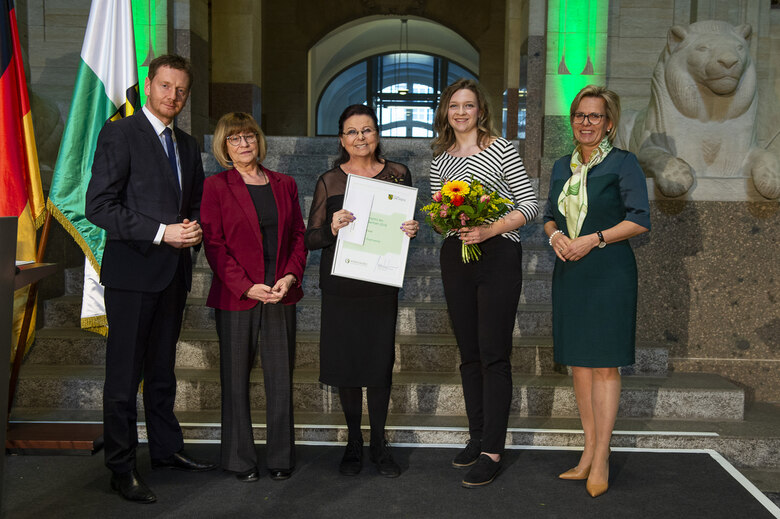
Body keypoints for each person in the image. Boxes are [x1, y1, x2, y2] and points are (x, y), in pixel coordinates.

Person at [86, 54, 215, 504]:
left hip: (173, 275)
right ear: (149, 83)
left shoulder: (187, 143)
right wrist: (164, 233)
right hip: (133, 273)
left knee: (161, 372)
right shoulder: (120, 133)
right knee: (123, 378)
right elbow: (98, 206)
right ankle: (121, 467)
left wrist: (193, 229)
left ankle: (166, 450)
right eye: (165, 86)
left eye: (181, 90)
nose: (173, 96)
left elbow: (194, 201)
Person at [430, 79, 539, 488]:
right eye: (454, 105)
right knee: (469, 354)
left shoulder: (501, 148)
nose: (461, 112)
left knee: (494, 354)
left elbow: (528, 205)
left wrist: (489, 228)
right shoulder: (440, 158)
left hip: (497, 256)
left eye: (469, 105)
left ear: (481, 110)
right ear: (446, 111)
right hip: (456, 256)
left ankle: (494, 449)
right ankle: (476, 437)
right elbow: (439, 210)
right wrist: (450, 220)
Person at [543, 85, 650, 498]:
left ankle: (602, 455)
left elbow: (640, 219)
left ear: (609, 123)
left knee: (605, 365)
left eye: (595, 117)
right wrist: (554, 237)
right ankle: (587, 451)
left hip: (609, 271)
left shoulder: (624, 164)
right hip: (570, 271)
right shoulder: (560, 166)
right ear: (572, 121)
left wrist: (595, 239)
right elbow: (551, 216)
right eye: (580, 116)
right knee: (581, 365)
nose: (586, 123)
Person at [304, 104, 419, 478]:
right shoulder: (329, 181)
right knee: (348, 366)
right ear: (342, 139)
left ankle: (379, 444)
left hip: (380, 282)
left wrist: (410, 230)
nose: (360, 138)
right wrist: (333, 228)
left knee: (378, 365)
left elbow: (402, 227)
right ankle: (353, 441)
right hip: (342, 285)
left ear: (377, 134)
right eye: (352, 132)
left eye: (366, 130)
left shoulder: (399, 175)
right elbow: (311, 239)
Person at [200, 113, 306, 483]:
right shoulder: (215, 186)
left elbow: (297, 235)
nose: (244, 144)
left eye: (249, 137)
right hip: (238, 296)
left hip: (280, 294)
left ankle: (280, 457)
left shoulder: (284, 183)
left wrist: (290, 277)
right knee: (235, 379)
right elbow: (213, 244)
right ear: (224, 146)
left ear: (259, 141)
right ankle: (239, 458)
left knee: (281, 378)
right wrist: (245, 285)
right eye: (234, 139)